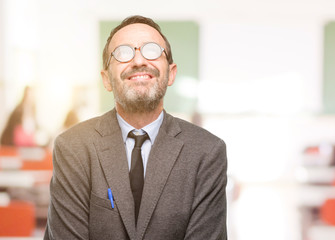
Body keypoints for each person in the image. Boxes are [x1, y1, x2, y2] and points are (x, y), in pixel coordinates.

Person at [45, 15, 228, 240]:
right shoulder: (73, 147)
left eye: (152, 50)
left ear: (171, 73)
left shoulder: (207, 151)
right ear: (106, 79)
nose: (139, 61)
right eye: (123, 52)